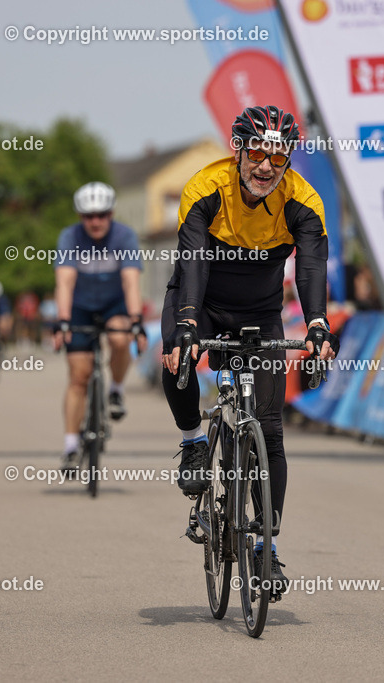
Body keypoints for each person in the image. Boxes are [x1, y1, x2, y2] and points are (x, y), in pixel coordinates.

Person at [161, 105, 338, 594]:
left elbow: (311, 266)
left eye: (277, 159)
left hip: (259, 312)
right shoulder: (205, 188)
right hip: (201, 299)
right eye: (257, 153)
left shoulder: (302, 200)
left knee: (271, 430)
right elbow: (192, 260)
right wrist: (188, 323)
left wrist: (318, 324)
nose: (266, 166)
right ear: (239, 149)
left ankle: (266, 544)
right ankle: (195, 442)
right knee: (176, 359)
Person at [53, 181, 147, 470]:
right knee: (79, 376)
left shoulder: (124, 236)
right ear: (80, 217)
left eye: (102, 214)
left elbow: (131, 281)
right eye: (88, 216)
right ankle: (70, 447)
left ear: (112, 213)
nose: (95, 221)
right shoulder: (70, 237)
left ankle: (116, 389)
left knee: (120, 339)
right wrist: (63, 321)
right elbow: (65, 282)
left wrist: (136, 321)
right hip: (80, 307)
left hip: (112, 305)